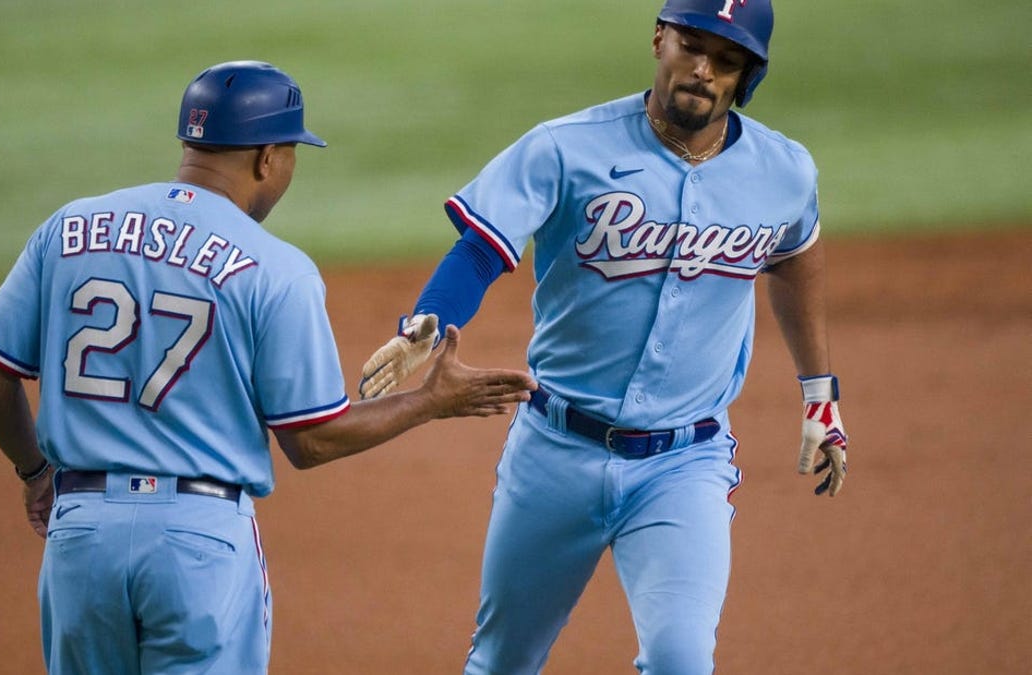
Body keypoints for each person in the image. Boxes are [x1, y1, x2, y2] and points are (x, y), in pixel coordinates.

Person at [0, 60, 536, 675]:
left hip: (79, 537)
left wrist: (34, 472)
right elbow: (311, 440)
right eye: (291, 152)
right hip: (195, 545)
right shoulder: (275, 267)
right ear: (267, 158)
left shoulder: (70, 226)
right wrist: (429, 401)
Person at [357, 1, 850, 672]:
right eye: (691, 46)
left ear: (746, 76)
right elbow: (481, 249)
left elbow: (796, 252)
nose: (703, 70)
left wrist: (820, 395)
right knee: (503, 659)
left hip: (686, 462)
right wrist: (425, 323)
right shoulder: (567, 146)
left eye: (726, 60)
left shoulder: (782, 171)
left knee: (681, 658)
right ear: (659, 39)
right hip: (555, 453)